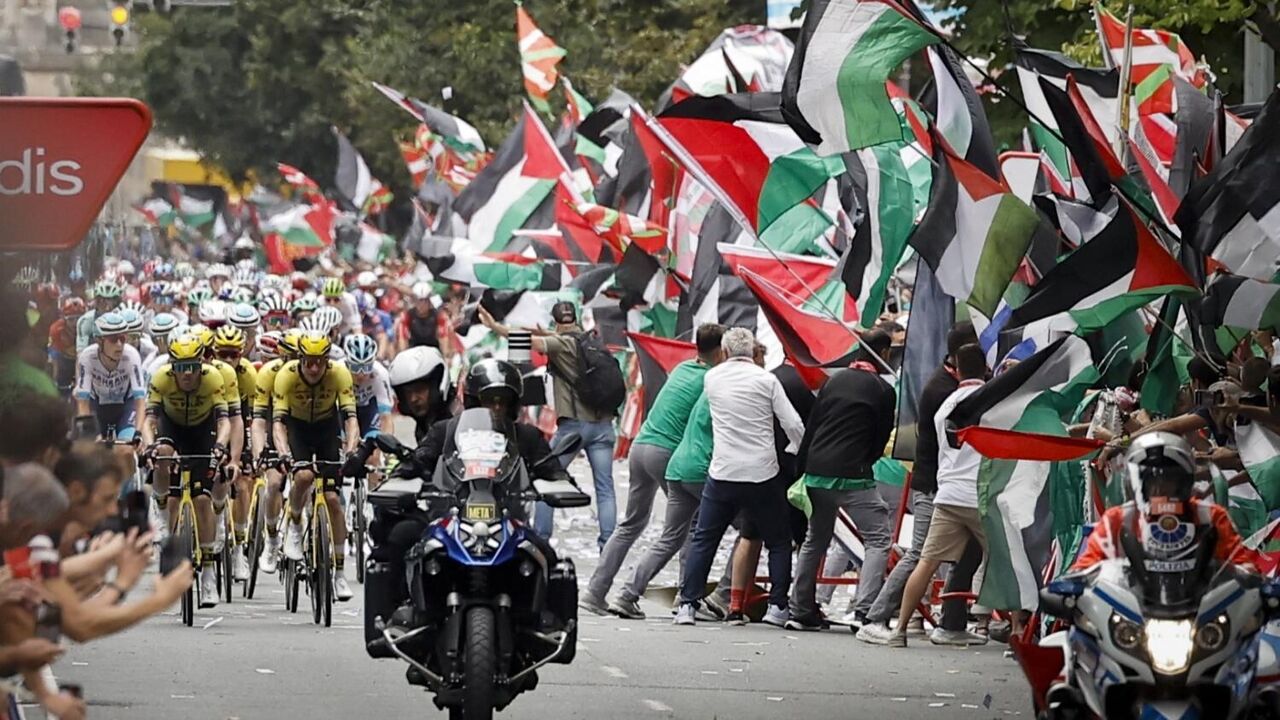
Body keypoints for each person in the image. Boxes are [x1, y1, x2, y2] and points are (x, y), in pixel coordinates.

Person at [580, 323, 725, 615]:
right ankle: (680, 597)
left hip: (641, 447)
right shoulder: (712, 379)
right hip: (666, 453)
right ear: (722, 351)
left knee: (631, 524)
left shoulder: (683, 368)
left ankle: (595, 592)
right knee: (684, 528)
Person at [858, 322, 981, 646]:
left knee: (966, 554)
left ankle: (950, 622)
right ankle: (875, 617)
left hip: (945, 485)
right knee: (920, 555)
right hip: (933, 485)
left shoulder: (949, 386)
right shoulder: (945, 391)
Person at [673, 328, 804, 627]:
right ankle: (777, 606)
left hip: (723, 472)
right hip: (762, 472)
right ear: (754, 352)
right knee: (778, 541)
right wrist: (795, 448)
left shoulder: (712, 378)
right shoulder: (766, 380)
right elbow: (793, 423)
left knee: (705, 539)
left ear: (725, 352)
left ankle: (688, 605)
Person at [479, 301, 619, 548]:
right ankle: (608, 546)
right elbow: (556, 337)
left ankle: (541, 539)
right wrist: (542, 332)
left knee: (547, 480)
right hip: (604, 426)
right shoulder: (590, 341)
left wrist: (494, 326)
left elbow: (524, 340)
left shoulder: (560, 344)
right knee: (605, 488)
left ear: (556, 322)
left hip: (574, 427)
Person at [787, 329, 897, 631]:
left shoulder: (833, 382)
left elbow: (813, 427)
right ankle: (865, 611)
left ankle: (799, 610)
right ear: (884, 353)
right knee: (878, 539)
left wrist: (803, 469)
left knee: (815, 540)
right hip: (853, 475)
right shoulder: (883, 390)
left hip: (816, 472)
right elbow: (880, 439)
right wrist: (864, 463)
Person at [1071, 432, 1258, 571]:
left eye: (1168, 480)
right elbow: (1085, 567)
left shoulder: (1210, 516)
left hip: (1202, 606)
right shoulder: (1119, 519)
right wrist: (1073, 583)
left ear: (1183, 482)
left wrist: (1251, 576)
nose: (1159, 488)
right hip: (1131, 608)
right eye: (1151, 481)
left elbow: (1242, 564)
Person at [142, 332, 233, 607]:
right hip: (171, 427)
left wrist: (220, 445)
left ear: (201, 365)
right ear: (172, 367)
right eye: (181, 367)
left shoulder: (213, 378)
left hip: (202, 431)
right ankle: (160, 512)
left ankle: (208, 575)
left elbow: (225, 421)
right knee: (162, 453)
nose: (187, 373)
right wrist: (149, 445)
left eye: (192, 367)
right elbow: (149, 420)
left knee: (202, 500)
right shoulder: (161, 377)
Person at [272, 331, 360, 601]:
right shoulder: (286, 375)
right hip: (297, 429)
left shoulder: (339, 374)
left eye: (319, 362)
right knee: (303, 477)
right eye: (308, 362)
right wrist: (284, 453)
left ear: (327, 360)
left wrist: (351, 450)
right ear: (300, 359)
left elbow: (351, 418)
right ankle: (295, 523)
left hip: (326, 429)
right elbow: (278, 423)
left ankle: (340, 572)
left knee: (333, 499)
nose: (313, 368)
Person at [212, 324, 259, 581]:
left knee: (241, 482)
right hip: (214, 424)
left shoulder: (248, 374)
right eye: (223, 354)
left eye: (234, 354)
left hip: (240, 424)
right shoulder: (211, 372)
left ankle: (240, 548)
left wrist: (240, 457)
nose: (229, 360)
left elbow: (251, 418)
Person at [73, 312, 147, 452]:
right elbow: (83, 402)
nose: (119, 344)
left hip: (125, 406)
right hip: (96, 406)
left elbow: (140, 401)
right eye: (113, 339)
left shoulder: (131, 355)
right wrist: (90, 432)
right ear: (99, 341)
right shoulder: (87, 357)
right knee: (92, 449)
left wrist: (138, 432)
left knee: (125, 449)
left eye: (123, 338)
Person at [386, 345, 451, 441]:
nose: (413, 399)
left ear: (436, 384)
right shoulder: (423, 426)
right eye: (407, 392)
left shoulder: (456, 413)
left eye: (419, 389)